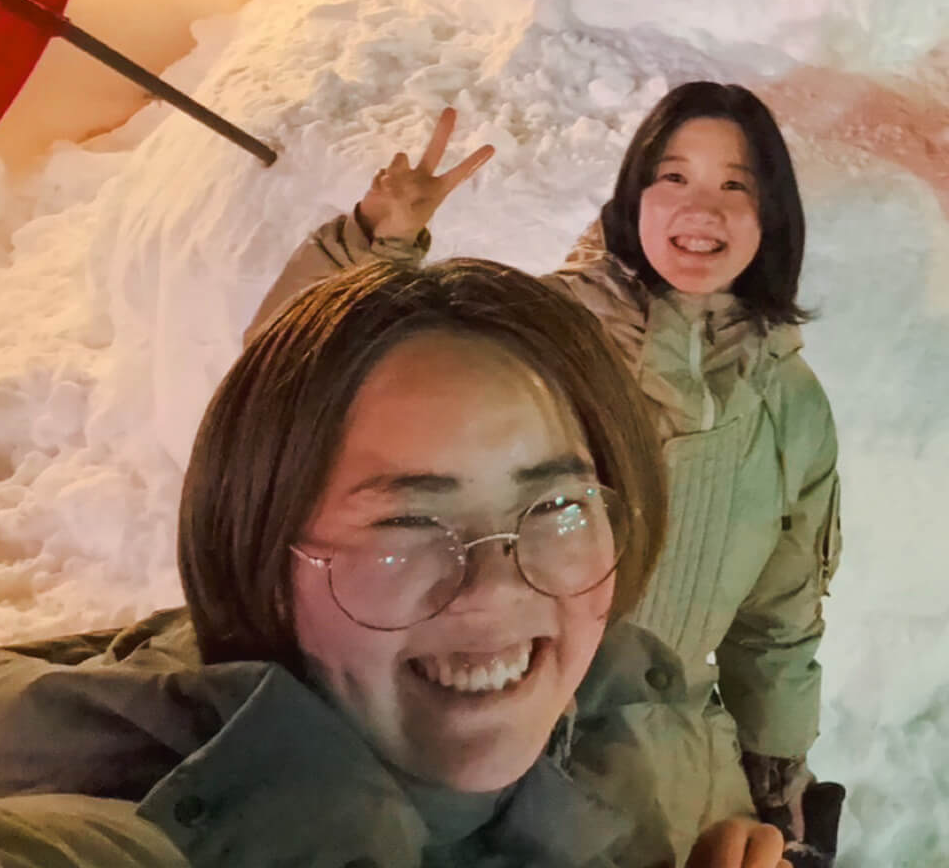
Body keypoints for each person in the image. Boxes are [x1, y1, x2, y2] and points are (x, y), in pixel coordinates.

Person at [0, 258, 792, 868]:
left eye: (556, 505)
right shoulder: (151, 822)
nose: (497, 586)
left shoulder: (628, 716)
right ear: (260, 557)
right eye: (407, 522)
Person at [256, 84, 843, 861]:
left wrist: (776, 772)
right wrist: (373, 242)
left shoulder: (790, 401)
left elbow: (779, 614)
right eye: (673, 178)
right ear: (633, 197)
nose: (702, 209)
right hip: (488, 738)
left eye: (736, 185)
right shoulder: (542, 338)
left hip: (667, 765)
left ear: (772, 217)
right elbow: (293, 392)